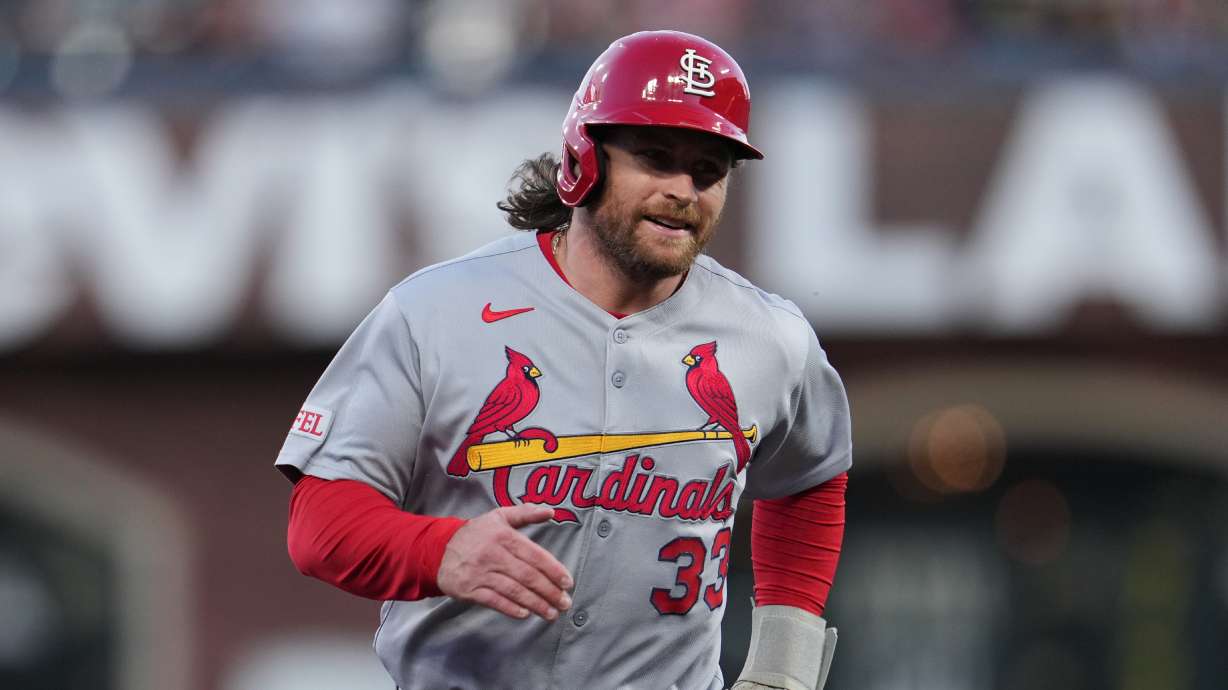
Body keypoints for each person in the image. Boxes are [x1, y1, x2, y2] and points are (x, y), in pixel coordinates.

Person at [276, 30, 851, 690]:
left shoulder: (770, 337)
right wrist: (439, 551)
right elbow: (320, 523)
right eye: (656, 159)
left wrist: (784, 666)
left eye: (707, 171)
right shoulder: (436, 310)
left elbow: (811, 477)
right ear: (586, 158)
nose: (683, 189)